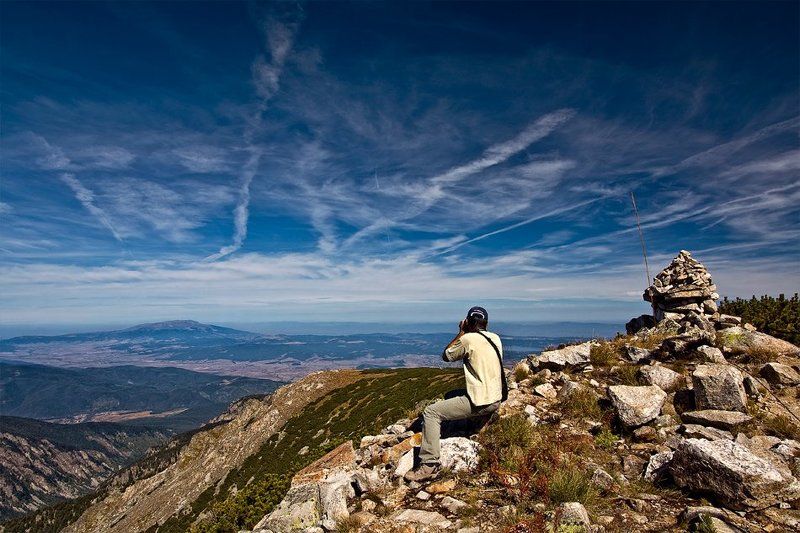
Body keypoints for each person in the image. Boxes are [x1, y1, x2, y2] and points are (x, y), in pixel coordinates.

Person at [404, 306, 506, 482]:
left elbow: (447, 355)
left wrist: (460, 332)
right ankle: (473, 425)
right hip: (496, 398)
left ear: (468, 322)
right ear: (486, 323)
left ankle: (429, 465)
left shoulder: (467, 339)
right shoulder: (495, 338)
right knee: (452, 394)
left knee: (431, 412)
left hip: (480, 402)